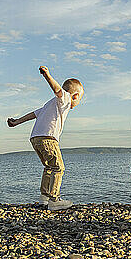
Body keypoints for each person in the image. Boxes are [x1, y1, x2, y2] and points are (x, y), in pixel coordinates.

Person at [7, 66, 84, 211]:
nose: (79, 102)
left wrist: (16, 122)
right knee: (58, 167)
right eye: (80, 98)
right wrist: (47, 75)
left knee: (49, 167)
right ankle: (54, 199)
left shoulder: (50, 104)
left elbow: (34, 114)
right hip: (48, 137)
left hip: (35, 138)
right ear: (75, 96)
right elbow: (57, 90)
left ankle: (44, 197)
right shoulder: (65, 99)